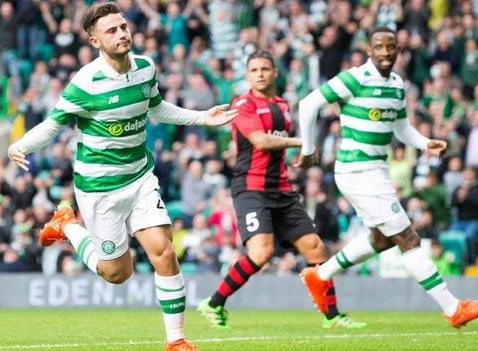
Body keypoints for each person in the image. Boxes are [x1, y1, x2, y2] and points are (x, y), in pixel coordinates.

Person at [7, 3, 236, 351]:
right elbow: (55, 122)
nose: (122, 34)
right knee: (117, 273)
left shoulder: (146, 68)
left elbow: (156, 108)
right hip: (100, 188)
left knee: (164, 252)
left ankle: (176, 341)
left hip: (140, 177)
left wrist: (202, 118)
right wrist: (20, 145)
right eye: (111, 30)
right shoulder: (85, 82)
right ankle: (67, 223)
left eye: (123, 27)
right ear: (95, 41)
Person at [298, 27, 478, 328]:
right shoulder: (355, 78)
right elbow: (308, 104)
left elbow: (401, 128)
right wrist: (308, 148)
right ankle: (452, 308)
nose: (384, 52)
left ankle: (321, 275)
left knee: (382, 239)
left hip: (377, 171)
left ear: (398, 51)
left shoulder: (396, 84)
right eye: (378, 47)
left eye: (390, 47)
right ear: (369, 50)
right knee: (408, 237)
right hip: (356, 170)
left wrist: (425, 143)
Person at [196, 51, 365, 330]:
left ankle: (333, 317)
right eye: (254, 70)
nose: (260, 74)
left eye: (265, 68)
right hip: (251, 188)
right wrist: (305, 142)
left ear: (275, 72)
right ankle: (213, 303)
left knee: (315, 248)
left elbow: (278, 145)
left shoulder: (283, 105)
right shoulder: (243, 104)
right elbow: (261, 142)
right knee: (260, 253)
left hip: (282, 189)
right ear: (248, 75)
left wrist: (301, 156)